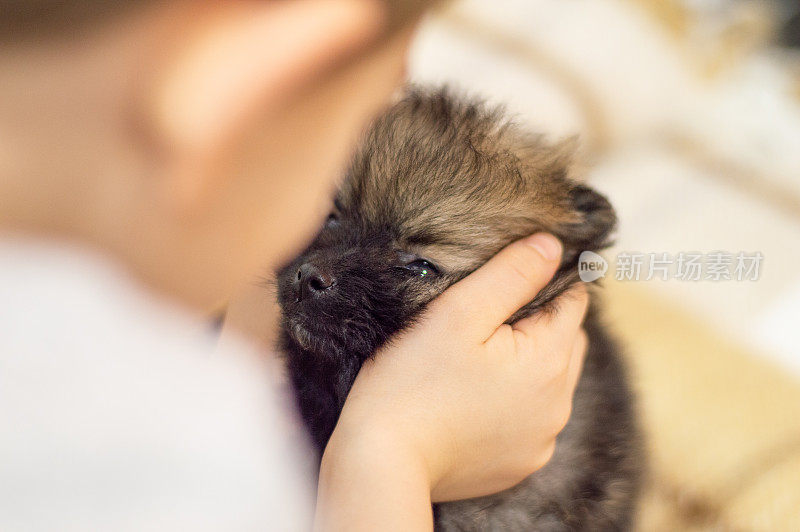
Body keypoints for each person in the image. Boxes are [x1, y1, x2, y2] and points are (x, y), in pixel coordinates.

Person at [0, 1, 589, 530]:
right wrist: (387, 459)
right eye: (331, 205)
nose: (319, 264)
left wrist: (248, 349)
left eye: (414, 266)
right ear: (239, 79)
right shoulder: (184, 470)